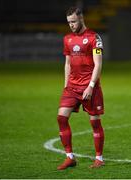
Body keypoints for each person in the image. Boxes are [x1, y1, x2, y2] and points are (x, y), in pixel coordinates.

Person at [57, 7, 105, 170]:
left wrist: (91, 86)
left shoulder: (94, 38)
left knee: (94, 122)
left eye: (74, 22)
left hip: (90, 86)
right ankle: (70, 157)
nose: (71, 25)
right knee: (61, 118)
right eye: (69, 22)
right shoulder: (67, 39)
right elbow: (68, 63)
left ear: (81, 19)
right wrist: (66, 85)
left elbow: (98, 64)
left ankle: (99, 158)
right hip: (72, 87)